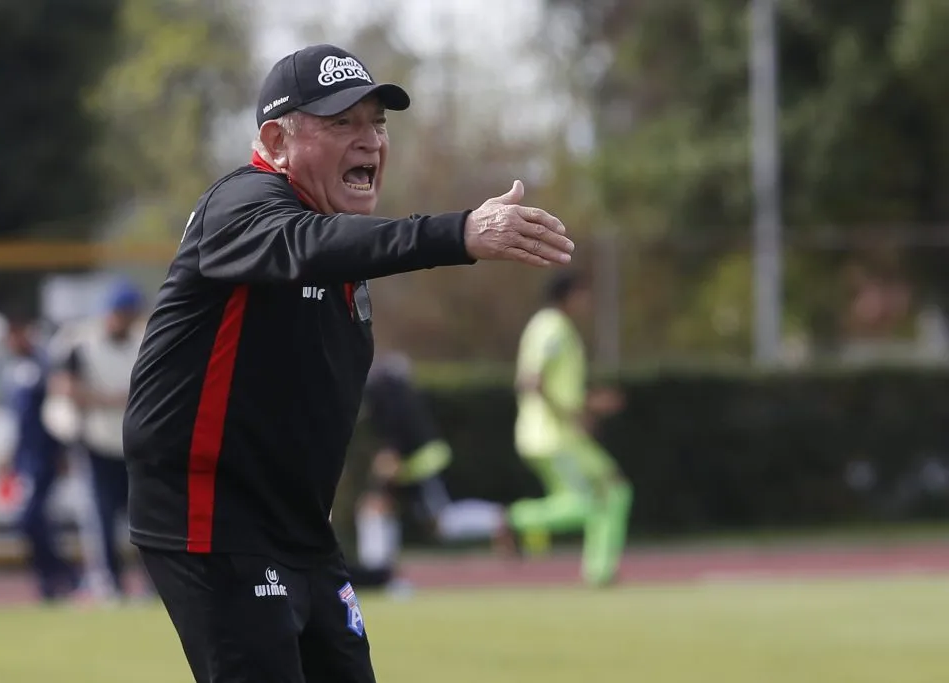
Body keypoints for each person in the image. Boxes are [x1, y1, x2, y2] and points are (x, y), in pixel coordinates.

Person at [123, 43, 573, 683]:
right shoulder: (240, 207)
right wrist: (459, 233)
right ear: (277, 140)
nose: (369, 142)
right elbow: (310, 244)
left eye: (377, 123)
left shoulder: (338, 247)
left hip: (300, 528)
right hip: (212, 521)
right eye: (341, 124)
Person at [508, 270, 633, 586]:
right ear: (569, 294)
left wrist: (587, 405)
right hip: (554, 436)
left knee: (614, 490)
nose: (587, 301)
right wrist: (572, 415)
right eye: (583, 293)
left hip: (558, 433)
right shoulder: (551, 327)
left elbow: (552, 385)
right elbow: (531, 381)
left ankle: (600, 570)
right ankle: (514, 520)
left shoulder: (554, 327)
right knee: (589, 502)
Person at [350, 352, 515, 589]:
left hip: (420, 462)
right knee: (378, 508)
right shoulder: (385, 386)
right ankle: (382, 575)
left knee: (432, 521)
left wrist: (390, 454)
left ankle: (381, 576)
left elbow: (396, 429)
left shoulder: (380, 391)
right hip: (419, 460)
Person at [46, 279, 146, 600]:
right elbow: (64, 386)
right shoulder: (81, 342)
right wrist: (108, 399)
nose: (123, 319)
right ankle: (109, 583)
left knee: (144, 518)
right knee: (100, 516)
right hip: (96, 441)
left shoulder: (143, 341)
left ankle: (151, 585)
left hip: (135, 444)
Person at [0, 315, 79, 602]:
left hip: (44, 456)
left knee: (32, 517)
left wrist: (62, 451)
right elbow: (16, 422)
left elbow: (56, 414)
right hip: (25, 458)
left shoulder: (44, 367)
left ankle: (62, 574)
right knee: (32, 521)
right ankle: (51, 578)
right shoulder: (12, 371)